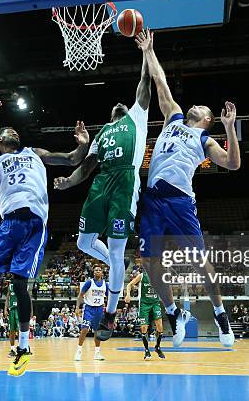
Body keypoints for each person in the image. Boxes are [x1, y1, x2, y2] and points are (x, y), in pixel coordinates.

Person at [0, 97, 89, 377]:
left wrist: (82, 144)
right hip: (8, 225)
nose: (14, 133)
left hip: (33, 224)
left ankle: (24, 348)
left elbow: (71, 159)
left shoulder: (35, 153)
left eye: (16, 131)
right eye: (8, 132)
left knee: (19, 284)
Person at [133, 30, 240, 347]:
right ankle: (172, 314)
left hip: (180, 202)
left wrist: (230, 128)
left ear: (208, 119)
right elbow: (160, 82)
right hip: (153, 199)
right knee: (150, 263)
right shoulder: (174, 117)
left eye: (202, 108)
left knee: (200, 263)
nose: (195, 105)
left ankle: (221, 318)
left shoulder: (205, 140)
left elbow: (233, 164)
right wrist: (149, 50)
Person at [54, 35, 152, 342]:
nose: (120, 105)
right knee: (84, 243)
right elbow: (86, 166)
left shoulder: (137, 117)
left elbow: (144, 87)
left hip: (124, 183)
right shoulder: (103, 133)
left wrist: (147, 55)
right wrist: (69, 180)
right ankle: (115, 265)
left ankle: (109, 315)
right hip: (100, 185)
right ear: (111, 115)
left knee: (118, 247)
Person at [124, 271, 165, 360]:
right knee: (143, 328)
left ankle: (157, 347)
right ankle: (147, 351)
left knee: (160, 327)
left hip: (155, 303)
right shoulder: (142, 276)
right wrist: (128, 295)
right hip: (144, 304)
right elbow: (129, 285)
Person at [74, 265, 107, 361]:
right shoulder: (89, 283)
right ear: (93, 272)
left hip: (99, 309)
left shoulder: (105, 284)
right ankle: (78, 351)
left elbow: (110, 297)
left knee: (98, 332)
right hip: (88, 308)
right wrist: (77, 307)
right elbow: (80, 296)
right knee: (85, 329)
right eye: (96, 270)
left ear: (102, 273)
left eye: (99, 270)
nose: (97, 271)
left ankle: (97, 353)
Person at [4, 280, 19, 358]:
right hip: (12, 310)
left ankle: (21, 348)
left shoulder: (23, 285)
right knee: (12, 331)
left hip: (20, 310)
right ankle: (13, 349)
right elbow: (7, 298)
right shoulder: (10, 286)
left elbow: (28, 299)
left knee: (20, 330)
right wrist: (5, 309)